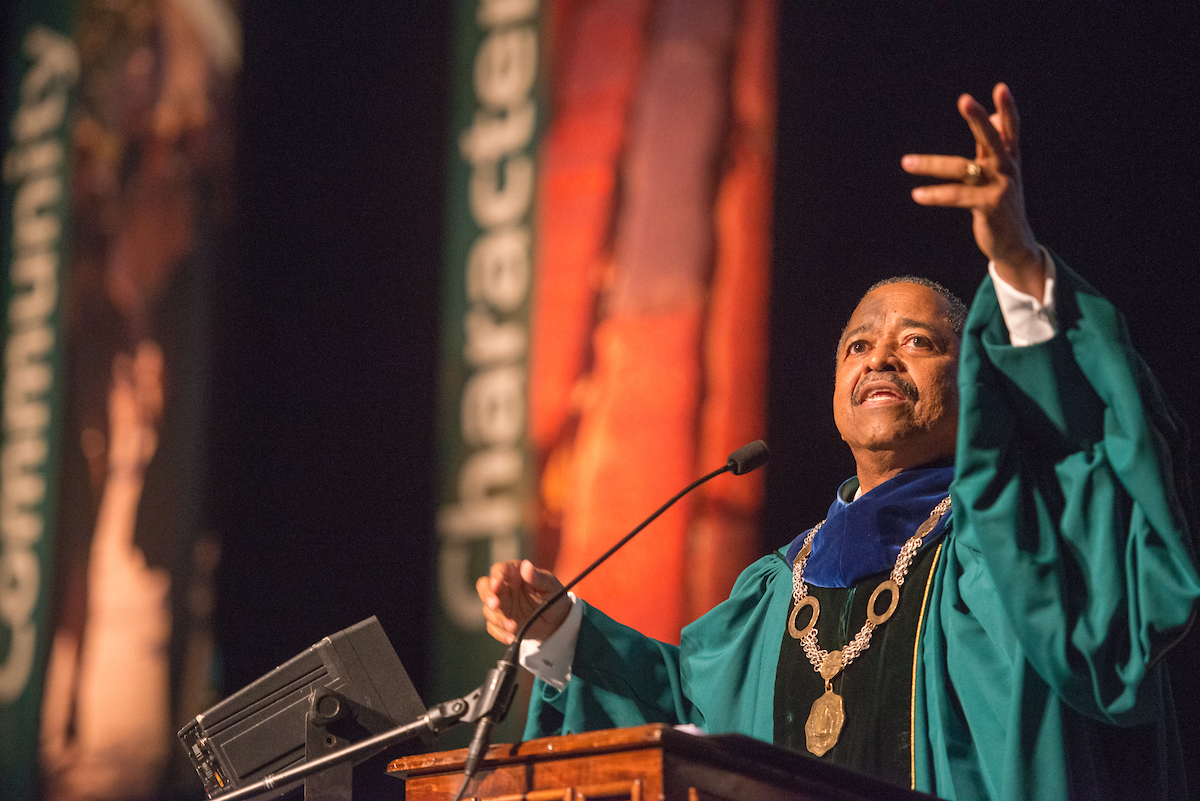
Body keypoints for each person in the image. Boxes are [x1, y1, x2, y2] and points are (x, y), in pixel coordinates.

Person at [476, 84, 1200, 799]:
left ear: (978, 373)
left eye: (917, 340)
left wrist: (1017, 268)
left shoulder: (1015, 544)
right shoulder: (777, 589)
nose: (880, 358)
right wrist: (565, 631)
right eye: (858, 346)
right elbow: (684, 710)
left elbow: (1100, 465)